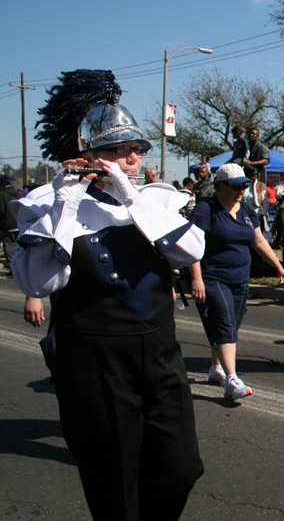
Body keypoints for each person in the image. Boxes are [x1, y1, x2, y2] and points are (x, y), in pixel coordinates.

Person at [11, 69, 204, 520]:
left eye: (135, 151)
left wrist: (128, 196)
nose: (129, 160)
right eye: (116, 152)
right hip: (93, 357)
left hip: (159, 352)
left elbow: (190, 249)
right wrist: (68, 203)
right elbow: (39, 283)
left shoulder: (157, 198)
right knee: (114, 480)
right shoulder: (47, 202)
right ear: (87, 155)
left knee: (181, 468)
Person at [187, 163, 284, 399]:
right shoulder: (205, 209)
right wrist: (196, 279)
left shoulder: (245, 209)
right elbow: (191, 245)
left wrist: (279, 267)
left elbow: (259, 241)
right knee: (224, 324)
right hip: (213, 277)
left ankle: (216, 369)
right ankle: (232, 380)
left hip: (240, 277)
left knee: (229, 326)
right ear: (220, 185)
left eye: (244, 185)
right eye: (236, 186)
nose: (241, 190)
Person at [0, 175, 21, 275]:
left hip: (7, 225)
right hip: (19, 223)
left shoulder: (2, 195)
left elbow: (1, 210)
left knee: (9, 248)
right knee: (19, 248)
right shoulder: (18, 194)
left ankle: (13, 269)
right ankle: (20, 268)